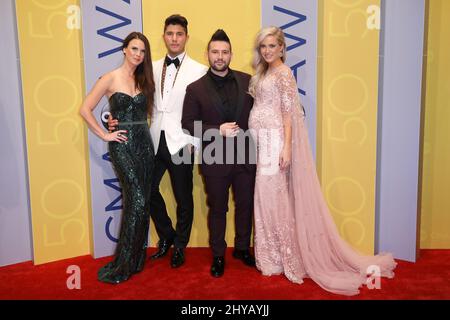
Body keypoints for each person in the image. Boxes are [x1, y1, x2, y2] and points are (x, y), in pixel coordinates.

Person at [248, 26, 397, 296]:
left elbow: (288, 113)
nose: (268, 51)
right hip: (262, 144)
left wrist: (287, 149)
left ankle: (286, 259)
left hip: (275, 144)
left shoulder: (283, 74)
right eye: (263, 47)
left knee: (274, 201)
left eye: (272, 46)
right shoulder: (265, 72)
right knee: (265, 199)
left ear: (282, 47)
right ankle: (272, 257)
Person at [109, 15, 207, 268]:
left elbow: (203, 110)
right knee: (147, 191)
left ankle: (180, 246)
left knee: (184, 198)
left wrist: (195, 141)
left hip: (182, 141)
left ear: (186, 37)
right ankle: (167, 236)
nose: (174, 38)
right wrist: (110, 118)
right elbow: (125, 95)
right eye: (170, 34)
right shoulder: (148, 66)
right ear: (164, 36)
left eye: (179, 34)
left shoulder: (199, 70)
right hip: (152, 139)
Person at [80, 32, 155, 284]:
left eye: (142, 51)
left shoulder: (144, 79)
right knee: (136, 199)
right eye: (134, 48)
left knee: (143, 203)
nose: (138, 54)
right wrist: (105, 134)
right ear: (124, 49)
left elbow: (144, 114)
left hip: (145, 144)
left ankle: (135, 259)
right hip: (122, 146)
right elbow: (85, 108)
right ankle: (123, 263)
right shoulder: (110, 78)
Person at [182, 29, 256, 277]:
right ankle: (218, 255)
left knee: (245, 205)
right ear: (208, 54)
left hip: (246, 157)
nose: (220, 56)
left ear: (231, 54)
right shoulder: (195, 88)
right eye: (215, 52)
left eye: (225, 52)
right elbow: (188, 123)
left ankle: (243, 249)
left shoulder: (249, 81)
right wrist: (217, 129)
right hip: (214, 160)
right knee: (218, 208)